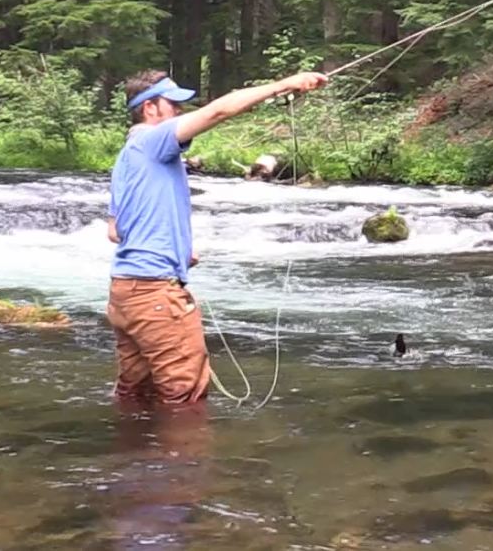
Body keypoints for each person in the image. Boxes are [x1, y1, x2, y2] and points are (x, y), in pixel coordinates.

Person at [106, 68, 328, 406]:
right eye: (173, 105)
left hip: (125, 292)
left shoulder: (127, 158)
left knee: (137, 395)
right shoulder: (153, 140)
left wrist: (175, 249)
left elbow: (115, 231)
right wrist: (284, 84)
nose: (179, 112)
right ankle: (187, 459)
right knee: (185, 397)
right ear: (150, 108)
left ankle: (132, 457)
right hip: (155, 293)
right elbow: (219, 111)